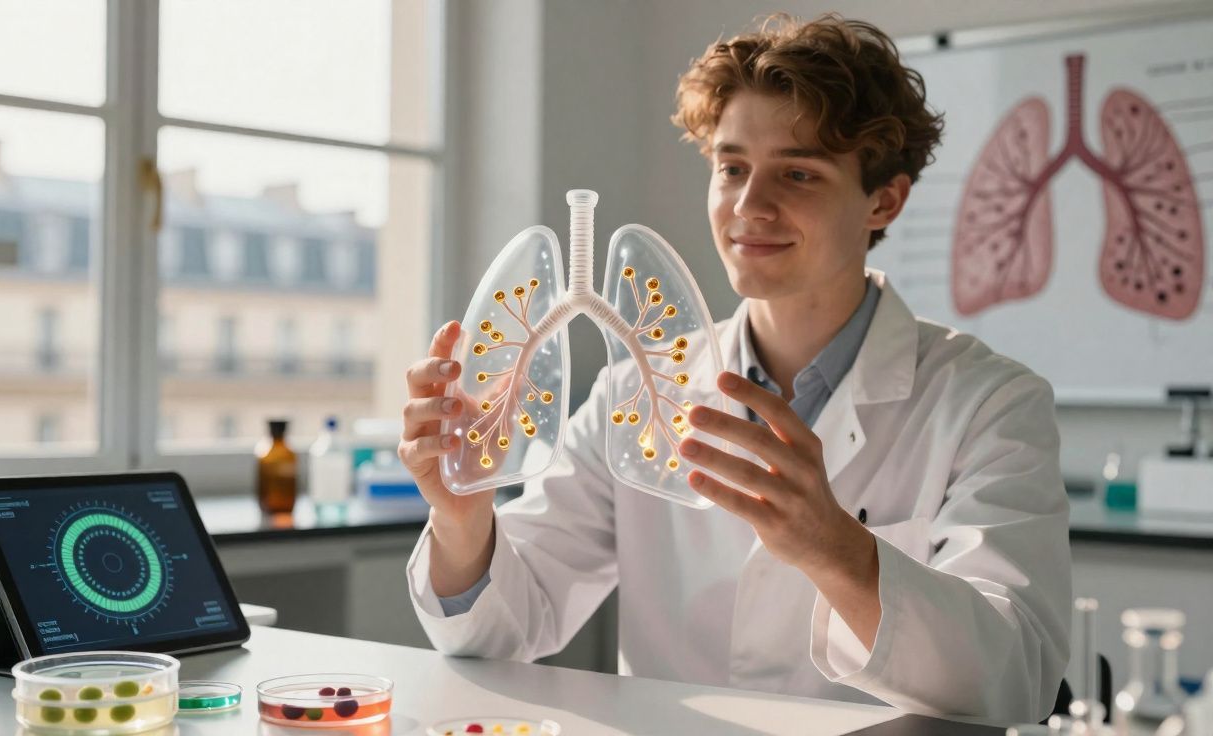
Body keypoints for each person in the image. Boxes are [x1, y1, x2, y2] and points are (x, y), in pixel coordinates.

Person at [397, 13, 1070, 723]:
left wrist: (840, 551)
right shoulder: (633, 392)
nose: (750, 206)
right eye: (732, 168)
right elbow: (503, 631)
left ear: (884, 200)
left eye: (798, 173)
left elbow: (1017, 674)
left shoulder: (989, 404)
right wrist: (462, 517)